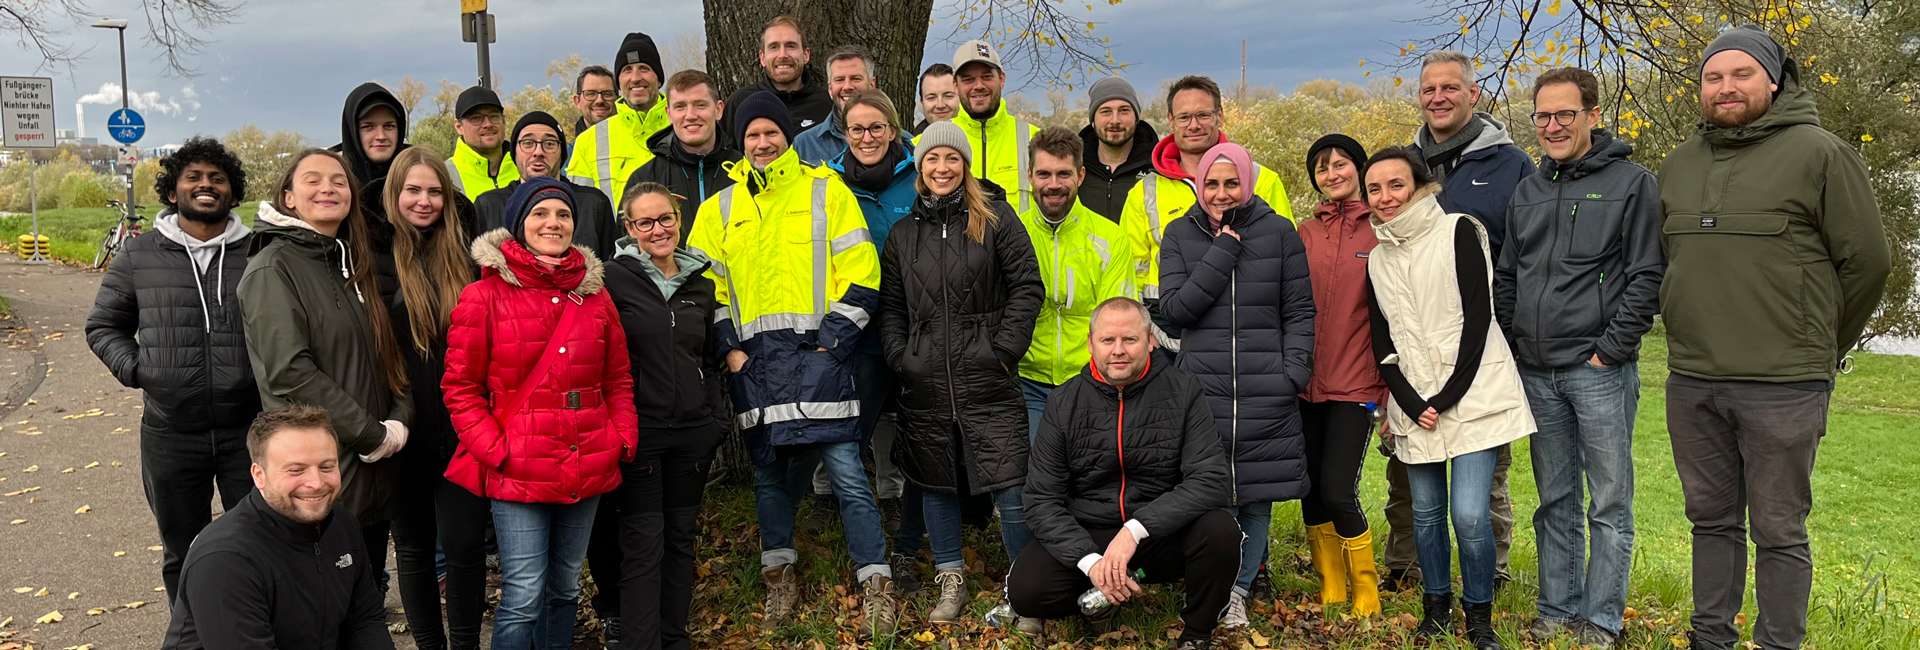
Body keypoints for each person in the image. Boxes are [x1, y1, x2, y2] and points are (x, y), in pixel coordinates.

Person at [1660, 27, 1890, 650]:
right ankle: (1710, 638)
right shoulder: (1679, 164)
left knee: (1779, 529)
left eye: (1741, 74)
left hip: (1784, 386)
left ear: (1773, 80)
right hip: (1693, 382)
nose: (1726, 87)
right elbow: (1667, 262)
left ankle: (1779, 642)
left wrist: (1818, 345)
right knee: (1709, 521)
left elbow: (1868, 262)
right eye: (1713, 76)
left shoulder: (1820, 153)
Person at [684, 92, 896, 636]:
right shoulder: (720, 210)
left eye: (770, 133)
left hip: (821, 360)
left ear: (785, 137)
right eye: (752, 134)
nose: (762, 142)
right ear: (741, 141)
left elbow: (863, 274)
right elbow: (704, 291)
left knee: (848, 474)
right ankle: (779, 575)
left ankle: (876, 582)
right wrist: (731, 352)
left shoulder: (828, 191)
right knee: (768, 476)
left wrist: (832, 343)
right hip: (756, 366)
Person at [1495, 67, 1664, 648]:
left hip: (1597, 371)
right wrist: (1516, 344)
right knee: (1554, 499)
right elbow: (1509, 274)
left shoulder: (1632, 182)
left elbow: (1646, 276)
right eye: (1542, 116)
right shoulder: (1530, 189)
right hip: (1537, 371)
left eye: (1565, 114)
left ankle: (1601, 621)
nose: (1552, 126)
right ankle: (1556, 608)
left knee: (1610, 502)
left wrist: (1609, 352)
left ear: (1593, 114)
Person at [441, 177, 638, 650]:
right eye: (541, 214)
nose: (553, 223)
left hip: (588, 457)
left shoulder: (595, 296)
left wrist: (620, 439)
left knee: (565, 587)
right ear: (518, 225)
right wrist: (494, 449)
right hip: (517, 464)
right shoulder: (483, 297)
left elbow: (618, 380)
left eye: (563, 214)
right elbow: (460, 387)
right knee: (524, 595)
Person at [1363, 147, 1534, 650]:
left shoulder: (1459, 230)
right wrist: (1411, 403)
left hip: (1474, 391)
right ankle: (1435, 609)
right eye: (1375, 188)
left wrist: (1448, 394)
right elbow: (1382, 340)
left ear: (1420, 185)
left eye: (1396, 185)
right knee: (1427, 515)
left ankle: (1479, 616)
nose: (1386, 197)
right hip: (1414, 401)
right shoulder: (1377, 256)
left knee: (1469, 515)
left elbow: (1479, 319)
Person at [880, 120, 1044, 625]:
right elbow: (890, 309)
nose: (942, 168)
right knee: (936, 484)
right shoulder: (904, 234)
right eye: (933, 159)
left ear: (965, 166)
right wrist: (902, 359)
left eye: (952, 159)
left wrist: (1002, 350)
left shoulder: (994, 220)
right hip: (925, 380)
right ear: (920, 168)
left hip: (988, 377)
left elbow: (1027, 287)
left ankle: (1026, 588)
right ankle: (951, 580)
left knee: (1010, 486)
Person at [1383, 50, 1534, 591]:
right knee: (1408, 467)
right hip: (1412, 344)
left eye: (1451, 87)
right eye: (1429, 89)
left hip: (1480, 342)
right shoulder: (1404, 163)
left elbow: (1524, 254)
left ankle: (1488, 573)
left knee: (1484, 473)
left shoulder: (1509, 164)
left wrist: (1510, 335)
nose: (1438, 97)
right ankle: (1408, 567)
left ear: (1474, 94)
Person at [1008, 297, 1238, 650]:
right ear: (1090, 343)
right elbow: (1041, 499)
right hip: (1090, 531)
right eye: (1107, 340)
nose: (1118, 351)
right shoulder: (1063, 402)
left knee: (1221, 532)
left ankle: (1196, 632)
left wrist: (1135, 529)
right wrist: (1090, 561)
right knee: (1026, 591)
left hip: (1158, 534)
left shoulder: (1184, 392)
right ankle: (1106, 589)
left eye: (1129, 340)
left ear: (1150, 341)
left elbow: (1210, 479)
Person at [86, 137, 258, 599]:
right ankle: (193, 635)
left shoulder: (259, 252)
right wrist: (142, 370)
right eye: (194, 178)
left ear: (233, 193)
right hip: (170, 433)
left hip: (252, 429)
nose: (206, 185)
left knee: (260, 544)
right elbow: (104, 326)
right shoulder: (139, 254)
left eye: (217, 179)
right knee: (184, 551)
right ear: (171, 191)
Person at [240, 149, 413, 601]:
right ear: (288, 197)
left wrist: (401, 414)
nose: (328, 189)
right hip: (322, 472)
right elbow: (289, 373)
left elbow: (384, 354)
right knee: (322, 609)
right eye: (313, 180)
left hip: (368, 469)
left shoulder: (346, 264)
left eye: (338, 181)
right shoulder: (273, 268)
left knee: (364, 597)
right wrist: (370, 434)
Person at [1156, 141, 1314, 628]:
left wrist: (1293, 374)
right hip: (1203, 391)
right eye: (1211, 183)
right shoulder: (1179, 234)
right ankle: (1215, 583)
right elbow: (1177, 312)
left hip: (1267, 387)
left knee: (1258, 496)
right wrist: (1223, 249)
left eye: (1231, 183)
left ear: (1246, 183)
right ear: (1198, 184)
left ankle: (1240, 591)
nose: (1221, 193)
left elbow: (1299, 311)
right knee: (1212, 494)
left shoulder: (1279, 232)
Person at [159, 405, 394, 650]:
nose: (316, 483)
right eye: (296, 470)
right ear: (258, 475)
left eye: (326, 467)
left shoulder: (341, 523)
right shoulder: (225, 561)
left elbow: (364, 622)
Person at [375, 146, 489, 650]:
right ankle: (429, 646)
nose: (424, 202)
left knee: (465, 547)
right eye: (413, 191)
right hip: (403, 425)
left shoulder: (465, 256)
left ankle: (464, 643)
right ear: (395, 194)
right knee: (416, 550)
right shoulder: (373, 255)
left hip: (462, 426)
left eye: (434, 191)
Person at [602, 183, 725, 650]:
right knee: (643, 545)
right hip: (641, 434)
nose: (658, 230)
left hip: (693, 435)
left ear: (678, 219)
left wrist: (713, 420)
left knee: (679, 541)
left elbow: (708, 358)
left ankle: (674, 639)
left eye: (666, 219)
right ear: (629, 229)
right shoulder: (612, 279)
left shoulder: (701, 282)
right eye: (645, 222)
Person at [822, 88, 925, 593]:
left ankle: (910, 541)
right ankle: (859, 542)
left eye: (876, 127)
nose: (867, 137)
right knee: (850, 440)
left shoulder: (921, 174)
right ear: (844, 133)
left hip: (918, 331)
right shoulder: (828, 184)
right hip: (859, 335)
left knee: (918, 441)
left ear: (893, 129)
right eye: (857, 128)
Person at [1118, 75, 1290, 353]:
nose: (1194, 125)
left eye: (1203, 115)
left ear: (1220, 116)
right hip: (1166, 340)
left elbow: (1286, 264)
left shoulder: (1262, 180)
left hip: (1245, 338)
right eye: (1184, 117)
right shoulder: (1145, 191)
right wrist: (1139, 332)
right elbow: (1128, 272)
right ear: (1170, 121)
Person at [1294, 134, 1383, 617]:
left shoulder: (1381, 230)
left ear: (1359, 167)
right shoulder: (1305, 232)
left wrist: (1387, 388)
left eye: (1341, 164)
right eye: (1322, 167)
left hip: (1357, 384)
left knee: (1337, 488)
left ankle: (1366, 594)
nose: (1332, 174)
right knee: (1309, 486)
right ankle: (1331, 587)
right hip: (1307, 383)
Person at [1016, 126, 1132, 438]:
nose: (1053, 185)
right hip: (1026, 381)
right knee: (1029, 477)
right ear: (1029, 176)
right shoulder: (1010, 232)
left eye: (1063, 174)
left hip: (1091, 380)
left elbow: (1116, 323)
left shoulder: (1111, 238)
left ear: (1080, 175)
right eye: (1044, 174)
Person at [477, 111, 620, 259]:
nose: (538, 152)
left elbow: (610, 268)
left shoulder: (593, 203)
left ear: (562, 153)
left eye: (549, 144)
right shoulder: (489, 205)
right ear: (515, 152)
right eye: (528, 143)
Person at [622, 70, 739, 245]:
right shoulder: (644, 180)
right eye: (680, 107)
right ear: (669, 114)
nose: (690, 115)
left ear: (718, 110)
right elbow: (629, 249)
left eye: (700, 105)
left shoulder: (744, 171)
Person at [566, 32, 674, 206]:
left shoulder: (685, 128)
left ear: (659, 79)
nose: (635, 78)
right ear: (619, 81)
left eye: (644, 68)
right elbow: (581, 213)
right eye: (627, 70)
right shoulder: (588, 142)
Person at [936, 40, 1040, 212]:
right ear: (956, 86)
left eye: (986, 77)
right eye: (968, 79)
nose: (978, 86)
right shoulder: (928, 144)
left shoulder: (1035, 140)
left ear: (1002, 79)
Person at [721, 15, 833, 140]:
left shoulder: (828, 104)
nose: (782, 55)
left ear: (806, 55)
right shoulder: (739, 102)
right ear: (762, 58)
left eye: (791, 46)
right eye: (774, 47)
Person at [1078, 77, 1157, 222]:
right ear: (1093, 120)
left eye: (1124, 110)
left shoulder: (1158, 169)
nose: (1115, 120)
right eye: (1105, 111)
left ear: (1136, 118)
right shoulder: (1073, 169)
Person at [445, 86, 519, 201]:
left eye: (494, 116)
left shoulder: (525, 168)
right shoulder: (444, 175)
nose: (487, 124)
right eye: (476, 118)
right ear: (459, 126)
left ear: (503, 121)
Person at [572, 65, 619, 138]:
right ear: (577, 101)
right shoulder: (570, 149)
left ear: (617, 99)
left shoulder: (635, 144)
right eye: (591, 94)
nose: (599, 100)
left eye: (607, 94)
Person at [914, 63, 958, 134]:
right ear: (922, 101)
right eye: (931, 98)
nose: (940, 105)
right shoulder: (912, 144)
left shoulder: (981, 137)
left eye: (948, 96)